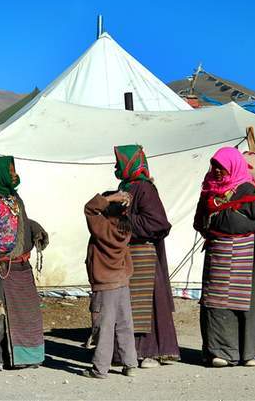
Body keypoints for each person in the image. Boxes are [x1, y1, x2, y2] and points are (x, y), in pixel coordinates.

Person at [193, 147, 255, 367]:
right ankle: (220, 352)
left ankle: (249, 352)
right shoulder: (209, 192)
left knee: (249, 303)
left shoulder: (248, 190)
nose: (218, 171)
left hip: (248, 254)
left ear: (233, 166)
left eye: (222, 166)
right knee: (217, 304)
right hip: (218, 255)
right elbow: (199, 221)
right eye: (215, 166)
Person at [0, 156, 49, 371]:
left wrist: (35, 229)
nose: (14, 173)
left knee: (26, 312)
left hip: (21, 266)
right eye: (10, 170)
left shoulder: (14, 197)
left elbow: (20, 221)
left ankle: (26, 356)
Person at [113, 145, 180, 368]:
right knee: (129, 305)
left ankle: (150, 352)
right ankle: (131, 352)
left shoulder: (145, 188)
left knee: (146, 305)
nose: (115, 167)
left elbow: (157, 222)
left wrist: (121, 221)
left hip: (143, 255)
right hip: (128, 254)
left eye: (119, 162)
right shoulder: (127, 186)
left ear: (130, 164)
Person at [82, 190, 138, 379]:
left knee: (104, 327)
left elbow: (89, 209)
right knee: (124, 324)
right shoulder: (125, 228)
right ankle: (130, 364)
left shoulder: (103, 227)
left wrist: (111, 198)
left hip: (105, 284)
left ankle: (100, 368)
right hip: (122, 281)